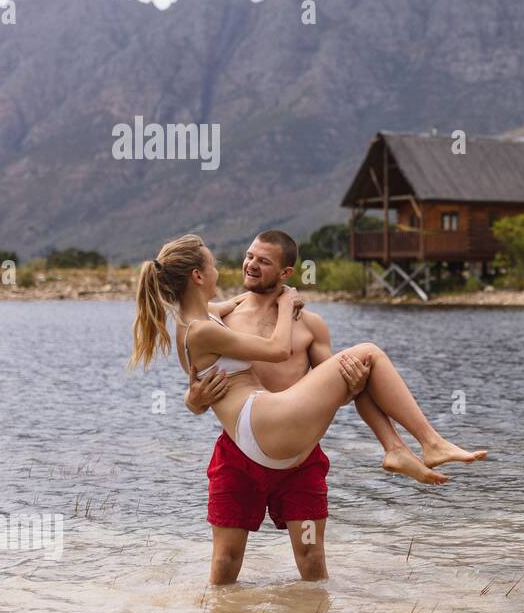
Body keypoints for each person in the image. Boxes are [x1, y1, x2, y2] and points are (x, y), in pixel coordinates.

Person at [130, 232, 485, 584]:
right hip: (254, 433)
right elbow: (274, 351)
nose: (248, 265)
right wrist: (193, 400)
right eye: (246, 257)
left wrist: (353, 381)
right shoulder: (209, 325)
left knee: (312, 557)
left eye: (263, 261)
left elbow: (334, 391)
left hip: (287, 440)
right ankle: (427, 443)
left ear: (285, 273)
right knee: (225, 561)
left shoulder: (218, 316)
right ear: (197, 276)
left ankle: (397, 450)